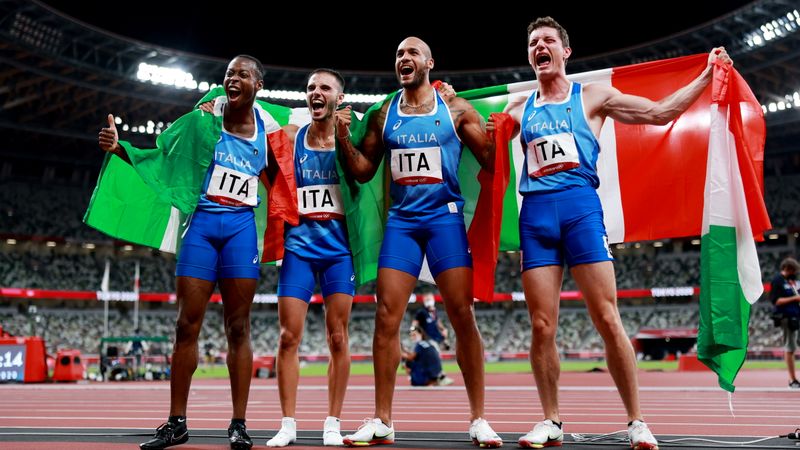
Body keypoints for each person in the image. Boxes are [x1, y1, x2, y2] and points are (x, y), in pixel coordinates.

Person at [502, 17, 733, 450]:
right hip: (534, 218)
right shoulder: (518, 107)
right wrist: (448, 103)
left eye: (548, 40)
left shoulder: (592, 96)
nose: (540, 47)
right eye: (533, 42)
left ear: (565, 51)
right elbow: (476, 137)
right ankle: (550, 420)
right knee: (540, 325)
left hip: (580, 213)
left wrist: (705, 76)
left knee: (608, 318)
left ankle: (636, 421)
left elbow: (661, 112)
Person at [99, 55, 283, 450]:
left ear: (258, 86)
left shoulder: (269, 134)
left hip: (240, 231)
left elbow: (280, 183)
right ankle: (176, 422)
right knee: (186, 325)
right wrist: (121, 149)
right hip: (200, 227)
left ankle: (238, 424)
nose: (234, 78)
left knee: (239, 327)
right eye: (230, 73)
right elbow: (163, 154)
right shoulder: (202, 120)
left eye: (243, 74)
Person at [335, 36, 502, 448]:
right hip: (403, 223)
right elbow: (362, 171)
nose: (403, 59)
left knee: (462, 314)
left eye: (411, 53)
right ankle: (382, 420)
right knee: (386, 317)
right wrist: (342, 138)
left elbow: (490, 163)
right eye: (398, 54)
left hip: (444, 220)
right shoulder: (383, 114)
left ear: (430, 63)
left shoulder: (456, 108)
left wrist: (497, 136)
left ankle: (479, 418)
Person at [265, 69, 355, 447]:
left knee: (338, 337)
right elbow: (249, 123)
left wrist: (441, 92)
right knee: (288, 337)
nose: (316, 92)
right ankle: (288, 423)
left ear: (339, 98)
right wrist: (218, 102)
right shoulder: (289, 138)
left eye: (324, 88)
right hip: (299, 248)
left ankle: (332, 421)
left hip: (338, 251)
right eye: (311, 88)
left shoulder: (349, 140)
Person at [769, 257, 800, 389]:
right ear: (787, 268)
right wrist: (795, 298)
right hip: (787, 318)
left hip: (796, 316)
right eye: (793, 270)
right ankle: (792, 380)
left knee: (792, 347)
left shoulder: (792, 280)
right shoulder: (777, 280)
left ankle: (793, 379)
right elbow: (776, 301)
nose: (795, 273)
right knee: (790, 348)